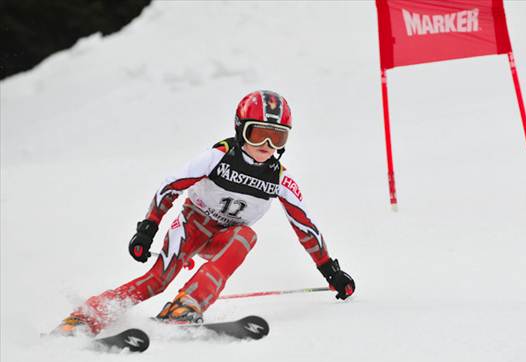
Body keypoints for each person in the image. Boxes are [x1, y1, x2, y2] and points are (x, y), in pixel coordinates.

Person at [55, 90, 355, 336]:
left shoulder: (279, 179)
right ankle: (87, 316)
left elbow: (305, 226)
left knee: (246, 236)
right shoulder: (218, 158)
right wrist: (148, 228)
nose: (266, 145)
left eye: (277, 138)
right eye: (258, 134)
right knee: (157, 280)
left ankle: (186, 305)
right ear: (240, 130)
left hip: (222, 238)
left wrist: (329, 269)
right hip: (191, 227)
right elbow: (170, 186)